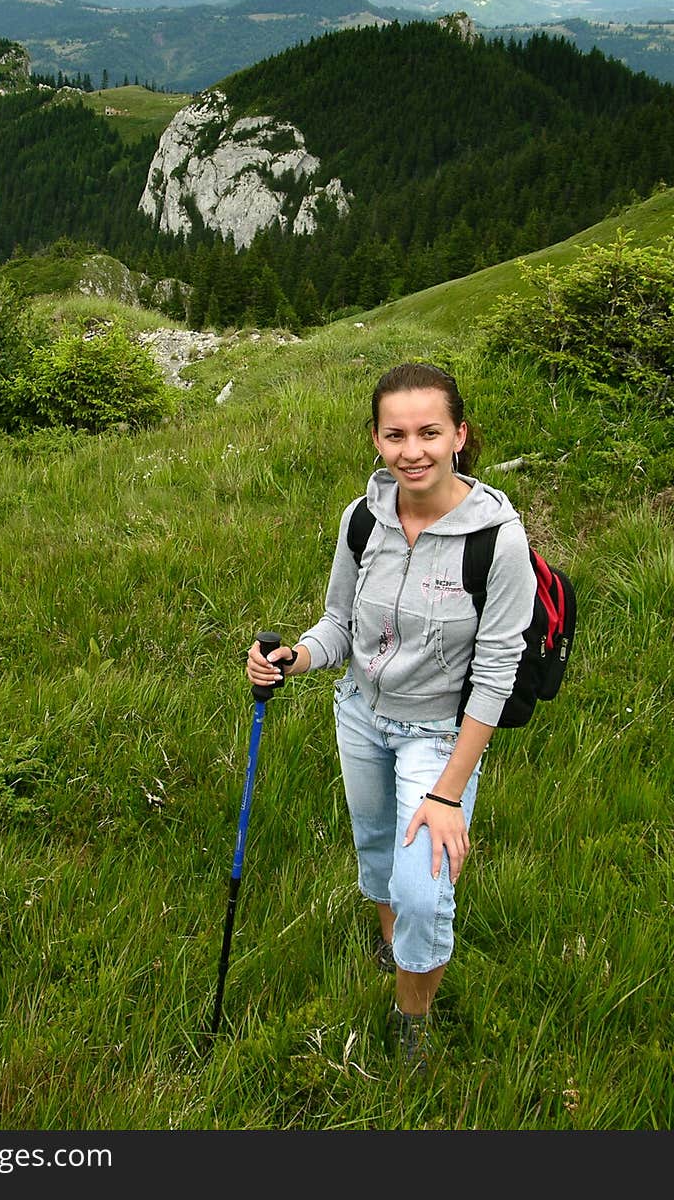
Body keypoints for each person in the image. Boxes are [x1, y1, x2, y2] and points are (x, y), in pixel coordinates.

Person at [245, 361, 536, 1073]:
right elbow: (338, 624)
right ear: (375, 439)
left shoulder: (498, 540)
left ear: (460, 435)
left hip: (439, 735)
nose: (413, 451)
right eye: (396, 434)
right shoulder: (363, 519)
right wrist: (295, 660)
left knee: (421, 884)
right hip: (362, 715)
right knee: (375, 846)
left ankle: (414, 1019)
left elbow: (496, 676)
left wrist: (448, 793)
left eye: (430, 432)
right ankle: (391, 947)